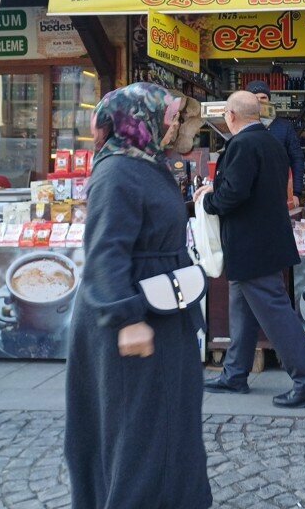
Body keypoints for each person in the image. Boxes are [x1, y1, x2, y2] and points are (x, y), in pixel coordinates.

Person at [65, 83, 211, 509]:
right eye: (168, 117)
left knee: (168, 422)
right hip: (133, 321)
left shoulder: (147, 164)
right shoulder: (116, 173)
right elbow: (105, 252)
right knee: (143, 428)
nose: (172, 126)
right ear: (136, 118)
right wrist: (126, 318)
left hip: (162, 314)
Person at [197, 91, 305, 408]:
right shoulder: (271, 141)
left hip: (251, 244)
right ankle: (234, 375)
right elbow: (257, 187)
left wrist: (208, 201)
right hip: (266, 240)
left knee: (277, 316)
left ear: (230, 115)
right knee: (240, 310)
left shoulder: (242, 144)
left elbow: (234, 194)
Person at [245, 80, 305, 205]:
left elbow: (297, 158)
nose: (260, 101)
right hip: (250, 194)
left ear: (269, 100)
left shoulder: (284, 126)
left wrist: (296, 192)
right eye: (255, 98)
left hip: (281, 192)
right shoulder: (242, 126)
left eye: (263, 97)